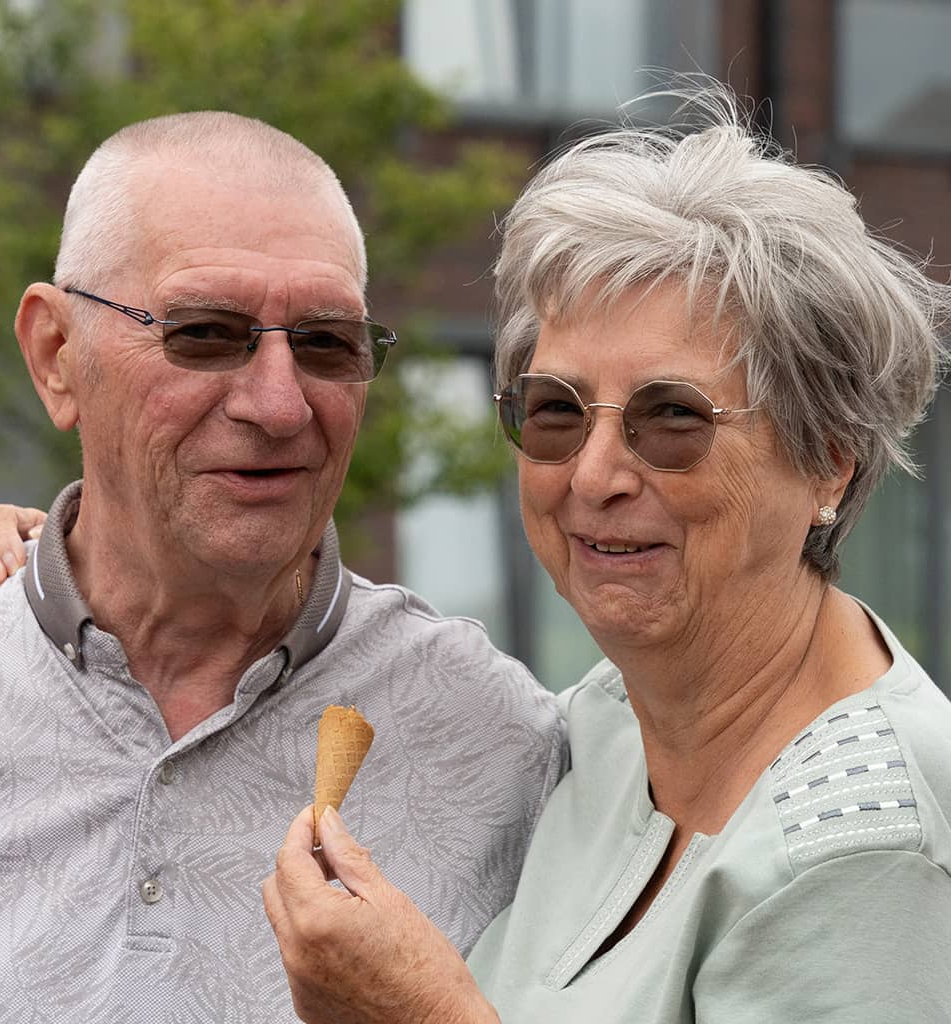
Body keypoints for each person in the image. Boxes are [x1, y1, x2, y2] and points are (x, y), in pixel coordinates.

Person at [258, 87, 951, 1022]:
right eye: (554, 410)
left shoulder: (864, 849)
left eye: (672, 417)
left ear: (829, 460)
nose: (593, 475)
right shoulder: (616, 717)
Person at [0, 111, 565, 1023]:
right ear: (57, 356)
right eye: (206, 334)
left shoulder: (506, 744)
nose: (277, 404)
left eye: (324, 345)